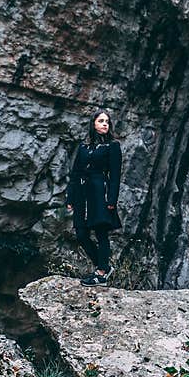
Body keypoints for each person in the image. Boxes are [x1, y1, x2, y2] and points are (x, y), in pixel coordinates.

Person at [65, 110, 122, 286]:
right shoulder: (83, 147)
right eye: (101, 121)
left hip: (100, 192)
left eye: (107, 122)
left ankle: (101, 272)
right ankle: (102, 266)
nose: (105, 124)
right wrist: (70, 198)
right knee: (81, 233)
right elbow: (75, 173)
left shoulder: (112, 146)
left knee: (101, 232)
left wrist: (111, 200)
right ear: (93, 124)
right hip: (82, 193)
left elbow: (115, 175)